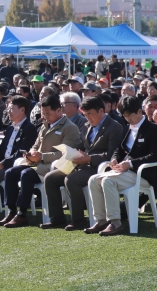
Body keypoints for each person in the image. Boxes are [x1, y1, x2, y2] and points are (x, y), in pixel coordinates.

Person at [0, 94, 82, 227]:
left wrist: (41, 156)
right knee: (11, 173)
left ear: (58, 110)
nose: (45, 116)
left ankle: (22, 214)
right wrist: (30, 154)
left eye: (48, 113)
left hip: (52, 166)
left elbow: (65, 153)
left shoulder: (69, 128)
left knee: (26, 175)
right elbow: (36, 145)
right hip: (37, 164)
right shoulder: (45, 126)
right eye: (43, 113)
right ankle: (11, 211)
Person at [39, 96, 124, 230]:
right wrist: (72, 151)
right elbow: (82, 145)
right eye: (85, 114)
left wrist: (89, 158)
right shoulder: (86, 126)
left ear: (101, 111)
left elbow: (112, 154)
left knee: (71, 180)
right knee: (50, 178)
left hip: (99, 167)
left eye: (90, 114)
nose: (88, 117)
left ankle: (78, 220)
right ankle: (57, 218)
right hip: (81, 164)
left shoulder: (114, 127)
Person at [86, 95, 157, 236]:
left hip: (143, 174)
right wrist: (115, 159)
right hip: (125, 171)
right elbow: (119, 149)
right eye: (125, 116)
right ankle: (101, 220)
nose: (127, 119)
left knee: (108, 181)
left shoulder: (153, 129)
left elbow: (156, 156)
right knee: (93, 180)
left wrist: (130, 163)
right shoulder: (127, 128)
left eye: (129, 116)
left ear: (139, 112)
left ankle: (115, 222)